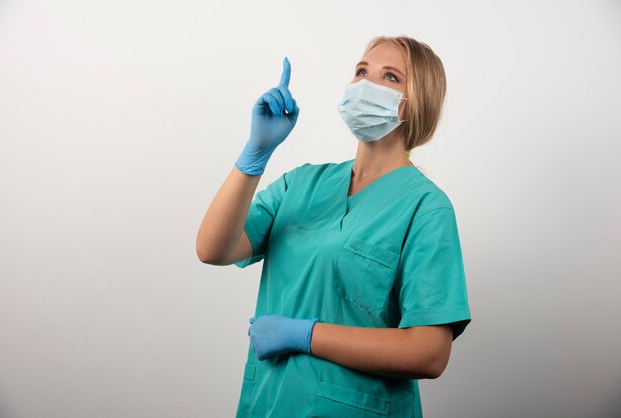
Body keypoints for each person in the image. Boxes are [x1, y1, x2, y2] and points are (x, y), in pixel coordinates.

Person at [196, 35, 472, 418]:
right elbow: (213, 249)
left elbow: (429, 353)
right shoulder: (302, 184)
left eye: (389, 77)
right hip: (270, 405)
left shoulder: (426, 207)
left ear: (418, 101)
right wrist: (255, 155)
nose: (366, 84)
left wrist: (305, 335)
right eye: (361, 71)